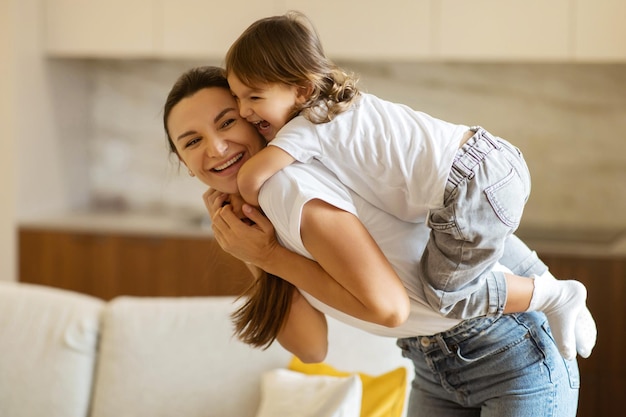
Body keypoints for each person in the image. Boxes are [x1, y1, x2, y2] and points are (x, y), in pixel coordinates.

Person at [163, 65, 581, 416]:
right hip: (433, 360)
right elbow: (310, 347)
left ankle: (558, 296)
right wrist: (253, 253)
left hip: (505, 342)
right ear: (183, 163)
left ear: (253, 117)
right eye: (192, 141)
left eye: (226, 122)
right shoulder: (260, 206)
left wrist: (268, 254)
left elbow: (389, 308)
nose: (216, 148)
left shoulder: (287, 184)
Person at [224, 11, 596, 360]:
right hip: (493, 159)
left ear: (302, 90)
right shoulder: (346, 106)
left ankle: (554, 295)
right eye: (237, 98)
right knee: (474, 246)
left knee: (448, 297)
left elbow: (251, 178)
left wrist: (237, 199)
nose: (244, 111)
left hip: (465, 185)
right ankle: (550, 285)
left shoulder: (308, 127)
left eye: (254, 97)